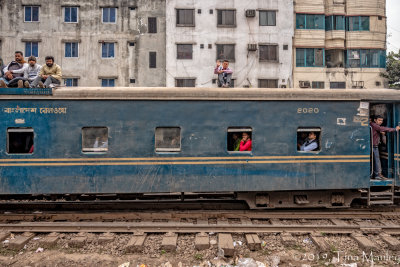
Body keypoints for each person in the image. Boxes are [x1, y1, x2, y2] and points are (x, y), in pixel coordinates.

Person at [370, 115, 400, 180]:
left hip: (374, 145)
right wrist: (395, 129)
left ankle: (376, 174)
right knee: (377, 160)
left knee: (375, 160)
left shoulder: (373, 125)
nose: (381, 122)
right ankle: (378, 175)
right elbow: (381, 128)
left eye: (382, 120)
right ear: (375, 120)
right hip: (373, 146)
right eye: (379, 120)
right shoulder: (374, 125)